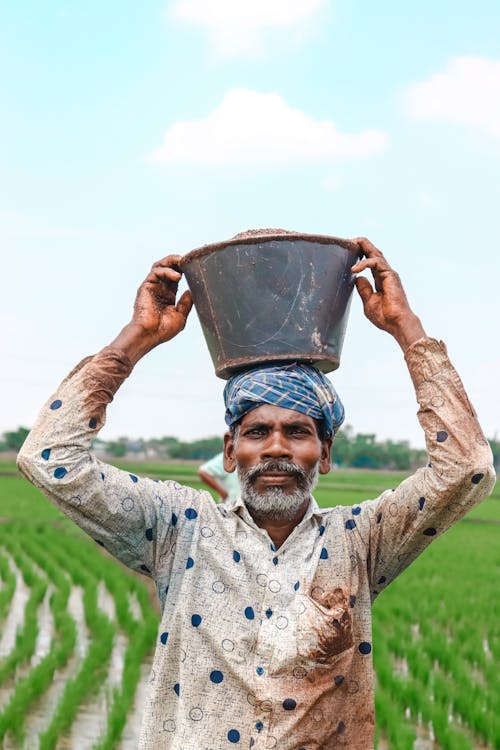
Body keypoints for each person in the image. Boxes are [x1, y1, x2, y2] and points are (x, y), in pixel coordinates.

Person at [17, 235, 495, 750]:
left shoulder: (361, 540)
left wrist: (407, 329)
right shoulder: (183, 529)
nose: (275, 449)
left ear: (325, 454)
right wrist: (136, 339)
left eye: (297, 432)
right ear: (230, 452)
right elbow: (50, 459)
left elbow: (467, 468)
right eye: (256, 432)